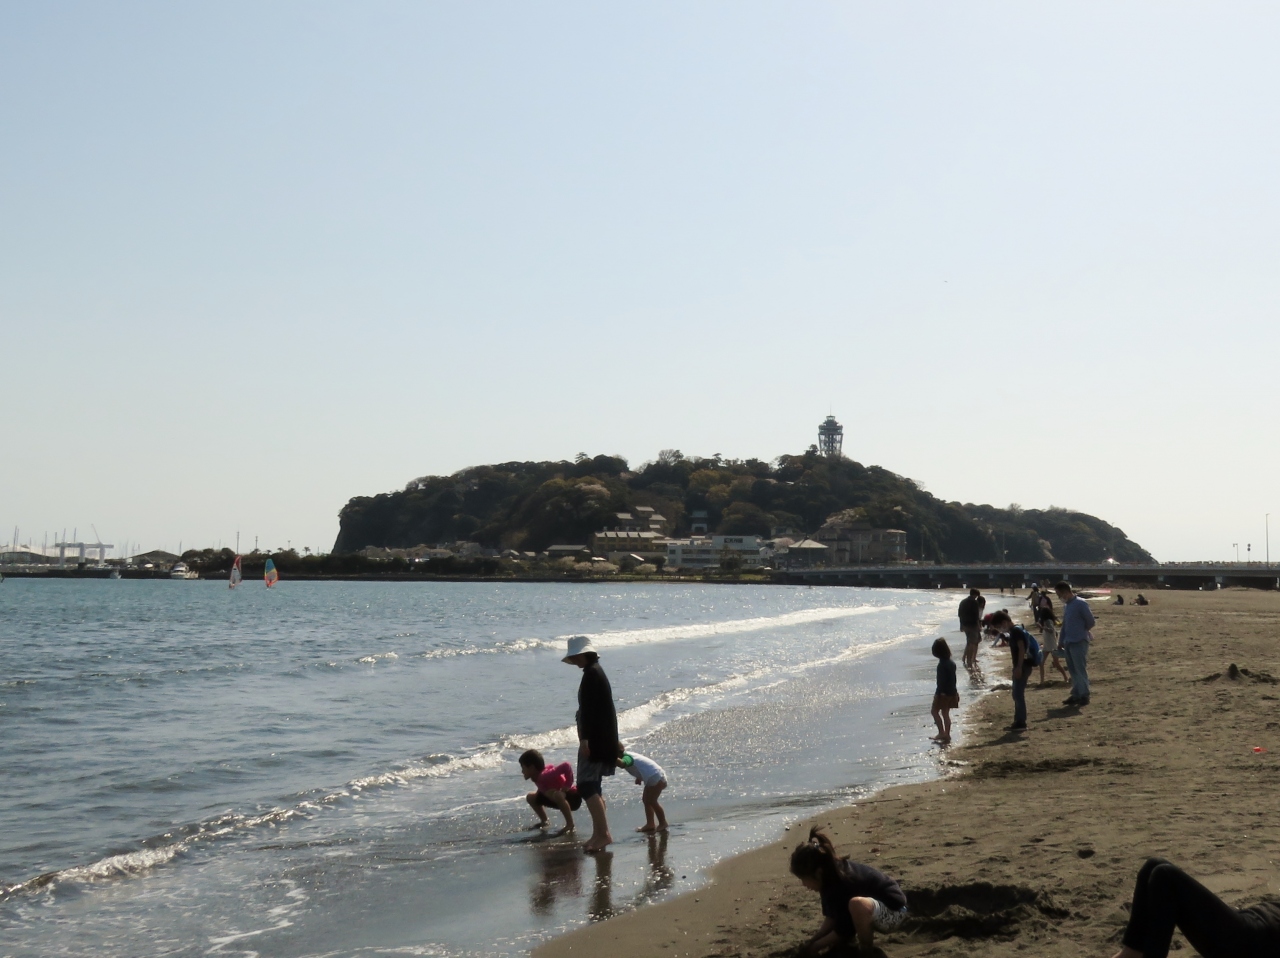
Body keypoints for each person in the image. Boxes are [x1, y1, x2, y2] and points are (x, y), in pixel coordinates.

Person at [1111, 857, 1280, 958]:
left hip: (1250, 943)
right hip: (1247, 922)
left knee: (1165, 876)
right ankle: (1131, 954)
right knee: (1153, 865)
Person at [790, 826, 908, 955]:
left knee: (857, 905)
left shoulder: (843, 882)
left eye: (804, 879)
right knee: (849, 913)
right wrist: (814, 940)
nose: (803, 884)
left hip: (894, 912)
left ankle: (866, 951)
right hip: (873, 909)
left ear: (818, 873)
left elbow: (845, 930)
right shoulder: (828, 877)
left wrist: (817, 946)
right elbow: (831, 918)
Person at [563, 635, 619, 852]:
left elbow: (589, 712)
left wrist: (585, 739)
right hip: (603, 737)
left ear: (583, 654)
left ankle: (603, 834)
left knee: (586, 785)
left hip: (595, 739)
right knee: (594, 785)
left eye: (575, 656)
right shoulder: (595, 672)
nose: (574, 660)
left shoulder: (591, 675)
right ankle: (599, 833)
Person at [988, 610, 1034, 731]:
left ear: (1004, 622)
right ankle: (1018, 721)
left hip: (1022, 666)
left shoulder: (1016, 631)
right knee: (1017, 693)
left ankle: (1021, 722)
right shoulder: (1014, 631)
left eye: (999, 626)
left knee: (1018, 694)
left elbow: (1021, 648)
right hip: (1022, 665)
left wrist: (1018, 667)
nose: (1000, 629)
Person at [1055, 581, 1096, 706]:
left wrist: (1082, 632)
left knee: (1080, 669)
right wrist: (1061, 641)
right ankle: (1076, 693)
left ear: (1066, 592)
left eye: (1059, 594)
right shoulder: (1067, 606)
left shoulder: (1081, 604)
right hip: (1068, 642)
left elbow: (1091, 621)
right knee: (1072, 670)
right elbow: (1065, 625)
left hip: (1079, 641)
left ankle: (1084, 695)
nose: (1059, 597)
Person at [519, 748, 579, 831]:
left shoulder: (545, 775)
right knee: (530, 797)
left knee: (557, 795)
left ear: (532, 768)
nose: (522, 771)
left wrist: (567, 785)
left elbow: (566, 766)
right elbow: (544, 787)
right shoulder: (536, 777)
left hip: (572, 798)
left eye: (523, 768)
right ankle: (544, 821)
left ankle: (570, 824)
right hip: (555, 798)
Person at [617, 747, 668, 832]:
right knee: (646, 800)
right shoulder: (628, 755)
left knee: (652, 801)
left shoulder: (627, 758)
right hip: (654, 775)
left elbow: (623, 764)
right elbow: (641, 766)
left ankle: (663, 823)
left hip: (655, 777)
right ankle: (650, 824)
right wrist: (639, 777)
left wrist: (611, 757)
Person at [1035, 588, 1070, 685]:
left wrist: (1042, 627)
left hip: (1052, 646)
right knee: (1041, 663)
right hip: (1047, 645)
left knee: (1056, 664)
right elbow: (1053, 632)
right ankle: (1042, 681)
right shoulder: (1047, 621)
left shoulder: (1048, 621)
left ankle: (1066, 677)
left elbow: (1051, 630)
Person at [930, 637, 958, 744]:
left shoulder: (942, 665)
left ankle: (941, 732)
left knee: (934, 711)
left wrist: (940, 693)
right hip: (952, 691)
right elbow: (952, 680)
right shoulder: (951, 663)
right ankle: (947, 733)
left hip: (943, 693)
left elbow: (941, 681)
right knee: (945, 713)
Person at [958, 588, 983, 668]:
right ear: (975, 595)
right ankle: (969, 661)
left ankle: (965, 658)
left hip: (965, 624)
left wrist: (961, 625)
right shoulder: (974, 602)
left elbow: (960, 614)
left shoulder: (962, 602)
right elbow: (976, 616)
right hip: (972, 625)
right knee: (972, 642)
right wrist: (978, 625)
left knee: (969, 641)